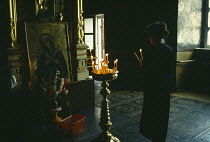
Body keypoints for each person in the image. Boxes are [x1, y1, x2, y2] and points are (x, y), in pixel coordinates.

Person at [139, 21, 174, 142]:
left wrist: (142, 66)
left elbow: (148, 71)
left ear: (153, 36)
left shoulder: (151, 51)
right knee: (162, 113)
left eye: (149, 36)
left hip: (152, 87)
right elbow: (169, 70)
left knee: (152, 111)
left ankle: (153, 135)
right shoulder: (168, 49)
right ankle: (160, 137)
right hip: (164, 86)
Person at [36, 33, 70, 119]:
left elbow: (64, 66)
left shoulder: (57, 53)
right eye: (43, 43)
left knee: (61, 97)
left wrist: (57, 62)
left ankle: (63, 116)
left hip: (58, 80)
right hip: (47, 81)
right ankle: (51, 117)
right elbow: (39, 70)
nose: (45, 44)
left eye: (47, 41)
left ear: (50, 41)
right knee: (49, 98)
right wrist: (45, 64)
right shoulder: (43, 56)